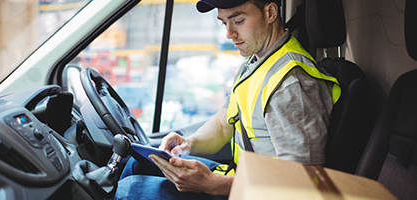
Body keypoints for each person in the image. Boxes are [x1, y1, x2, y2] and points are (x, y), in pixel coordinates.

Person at [115, 0, 341, 199]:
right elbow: (223, 125)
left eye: (238, 20)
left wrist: (213, 185)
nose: (229, 33)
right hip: (242, 178)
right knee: (139, 164)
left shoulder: (292, 84)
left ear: (271, 13)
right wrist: (188, 143)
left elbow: (303, 182)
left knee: (130, 190)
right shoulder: (256, 64)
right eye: (224, 23)